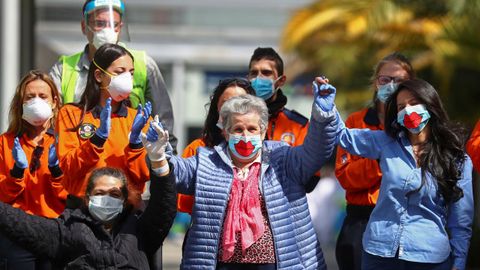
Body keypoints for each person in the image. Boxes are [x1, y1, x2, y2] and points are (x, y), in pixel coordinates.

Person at [142, 86, 338, 269]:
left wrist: (322, 117)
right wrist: (158, 155)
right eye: (238, 129)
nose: (245, 136)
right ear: (226, 133)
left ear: (262, 132)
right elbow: (176, 172)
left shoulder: (284, 158)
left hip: (275, 264)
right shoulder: (206, 160)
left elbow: (317, 150)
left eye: (252, 129)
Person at [319, 77, 473, 270]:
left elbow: (461, 220)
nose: (408, 110)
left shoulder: (457, 159)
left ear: (430, 105)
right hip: (379, 253)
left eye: (415, 103)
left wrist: (459, 262)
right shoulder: (386, 142)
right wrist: (326, 107)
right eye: (401, 107)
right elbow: (343, 136)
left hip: (429, 258)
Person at [49, 0, 177, 152]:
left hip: (130, 158)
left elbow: (164, 121)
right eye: (100, 23)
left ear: (120, 27)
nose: (107, 30)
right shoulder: (64, 69)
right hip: (81, 158)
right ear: (84, 26)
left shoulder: (144, 64)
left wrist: (165, 165)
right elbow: (50, 122)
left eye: (113, 24)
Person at [0, 161, 176, 269]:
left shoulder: (140, 229)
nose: (106, 198)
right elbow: (22, 224)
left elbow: (164, 207)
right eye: (100, 193)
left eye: (114, 194)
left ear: (124, 200)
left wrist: (159, 162)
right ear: (88, 198)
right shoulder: (68, 228)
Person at [334, 52, 415, 270]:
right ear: (375, 83)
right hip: (362, 220)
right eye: (385, 79)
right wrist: (384, 159)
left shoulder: (416, 124)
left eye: (399, 81)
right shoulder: (356, 122)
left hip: (406, 221)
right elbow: (346, 176)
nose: (391, 85)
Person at [55, 43, 152, 205]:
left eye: (131, 72)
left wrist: (135, 146)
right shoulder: (71, 114)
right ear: (99, 76)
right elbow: (68, 168)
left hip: (125, 210)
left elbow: (143, 174)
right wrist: (96, 140)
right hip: (83, 206)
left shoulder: (139, 119)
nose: (127, 77)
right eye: (120, 72)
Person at [0, 70, 67, 269]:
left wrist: (56, 173)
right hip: (16, 232)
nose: (36, 101)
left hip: (54, 230)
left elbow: (71, 195)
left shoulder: (66, 142)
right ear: (21, 103)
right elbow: (2, 197)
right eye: (30, 97)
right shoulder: (5, 143)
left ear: (54, 102)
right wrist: (17, 174)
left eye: (42, 96)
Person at [178, 78, 256, 214]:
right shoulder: (197, 149)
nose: (233, 110)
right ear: (217, 109)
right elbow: (184, 202)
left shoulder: (265, 152)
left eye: (241, 103)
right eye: (227, 104)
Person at [248, 47, 320, 192]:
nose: (258, 78)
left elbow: (310, 179)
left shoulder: (298, 126)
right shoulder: (235, 122)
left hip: (285, 209)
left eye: (266, 73)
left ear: (281, 81)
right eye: (254, 73)